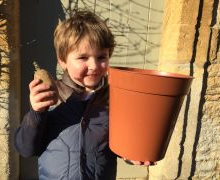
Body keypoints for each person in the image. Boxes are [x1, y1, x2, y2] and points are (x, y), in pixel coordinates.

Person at [14, 9, 150, 180]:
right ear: (62, 61)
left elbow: (122, 143)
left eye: (101, 57)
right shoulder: (50, 97)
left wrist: (133, 152)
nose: (93, 65)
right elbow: (25, 148)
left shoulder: (114, 98)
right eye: (83, 57)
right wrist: (36, 113)